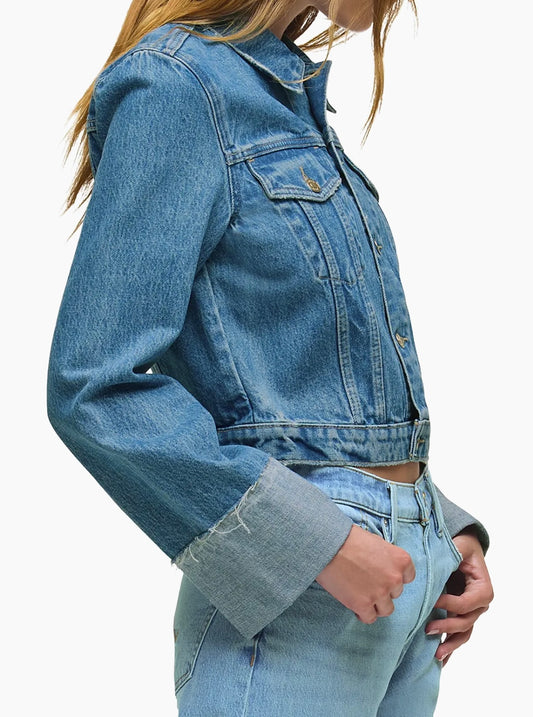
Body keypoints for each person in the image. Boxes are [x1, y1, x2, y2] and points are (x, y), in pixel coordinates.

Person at [47, 1, 494, 714]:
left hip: (402, 588)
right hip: (298, 596)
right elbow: (94, 385)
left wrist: (440, 526)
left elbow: (307, 387)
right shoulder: (176, 85)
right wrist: (316, 545)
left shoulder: (281, 94)